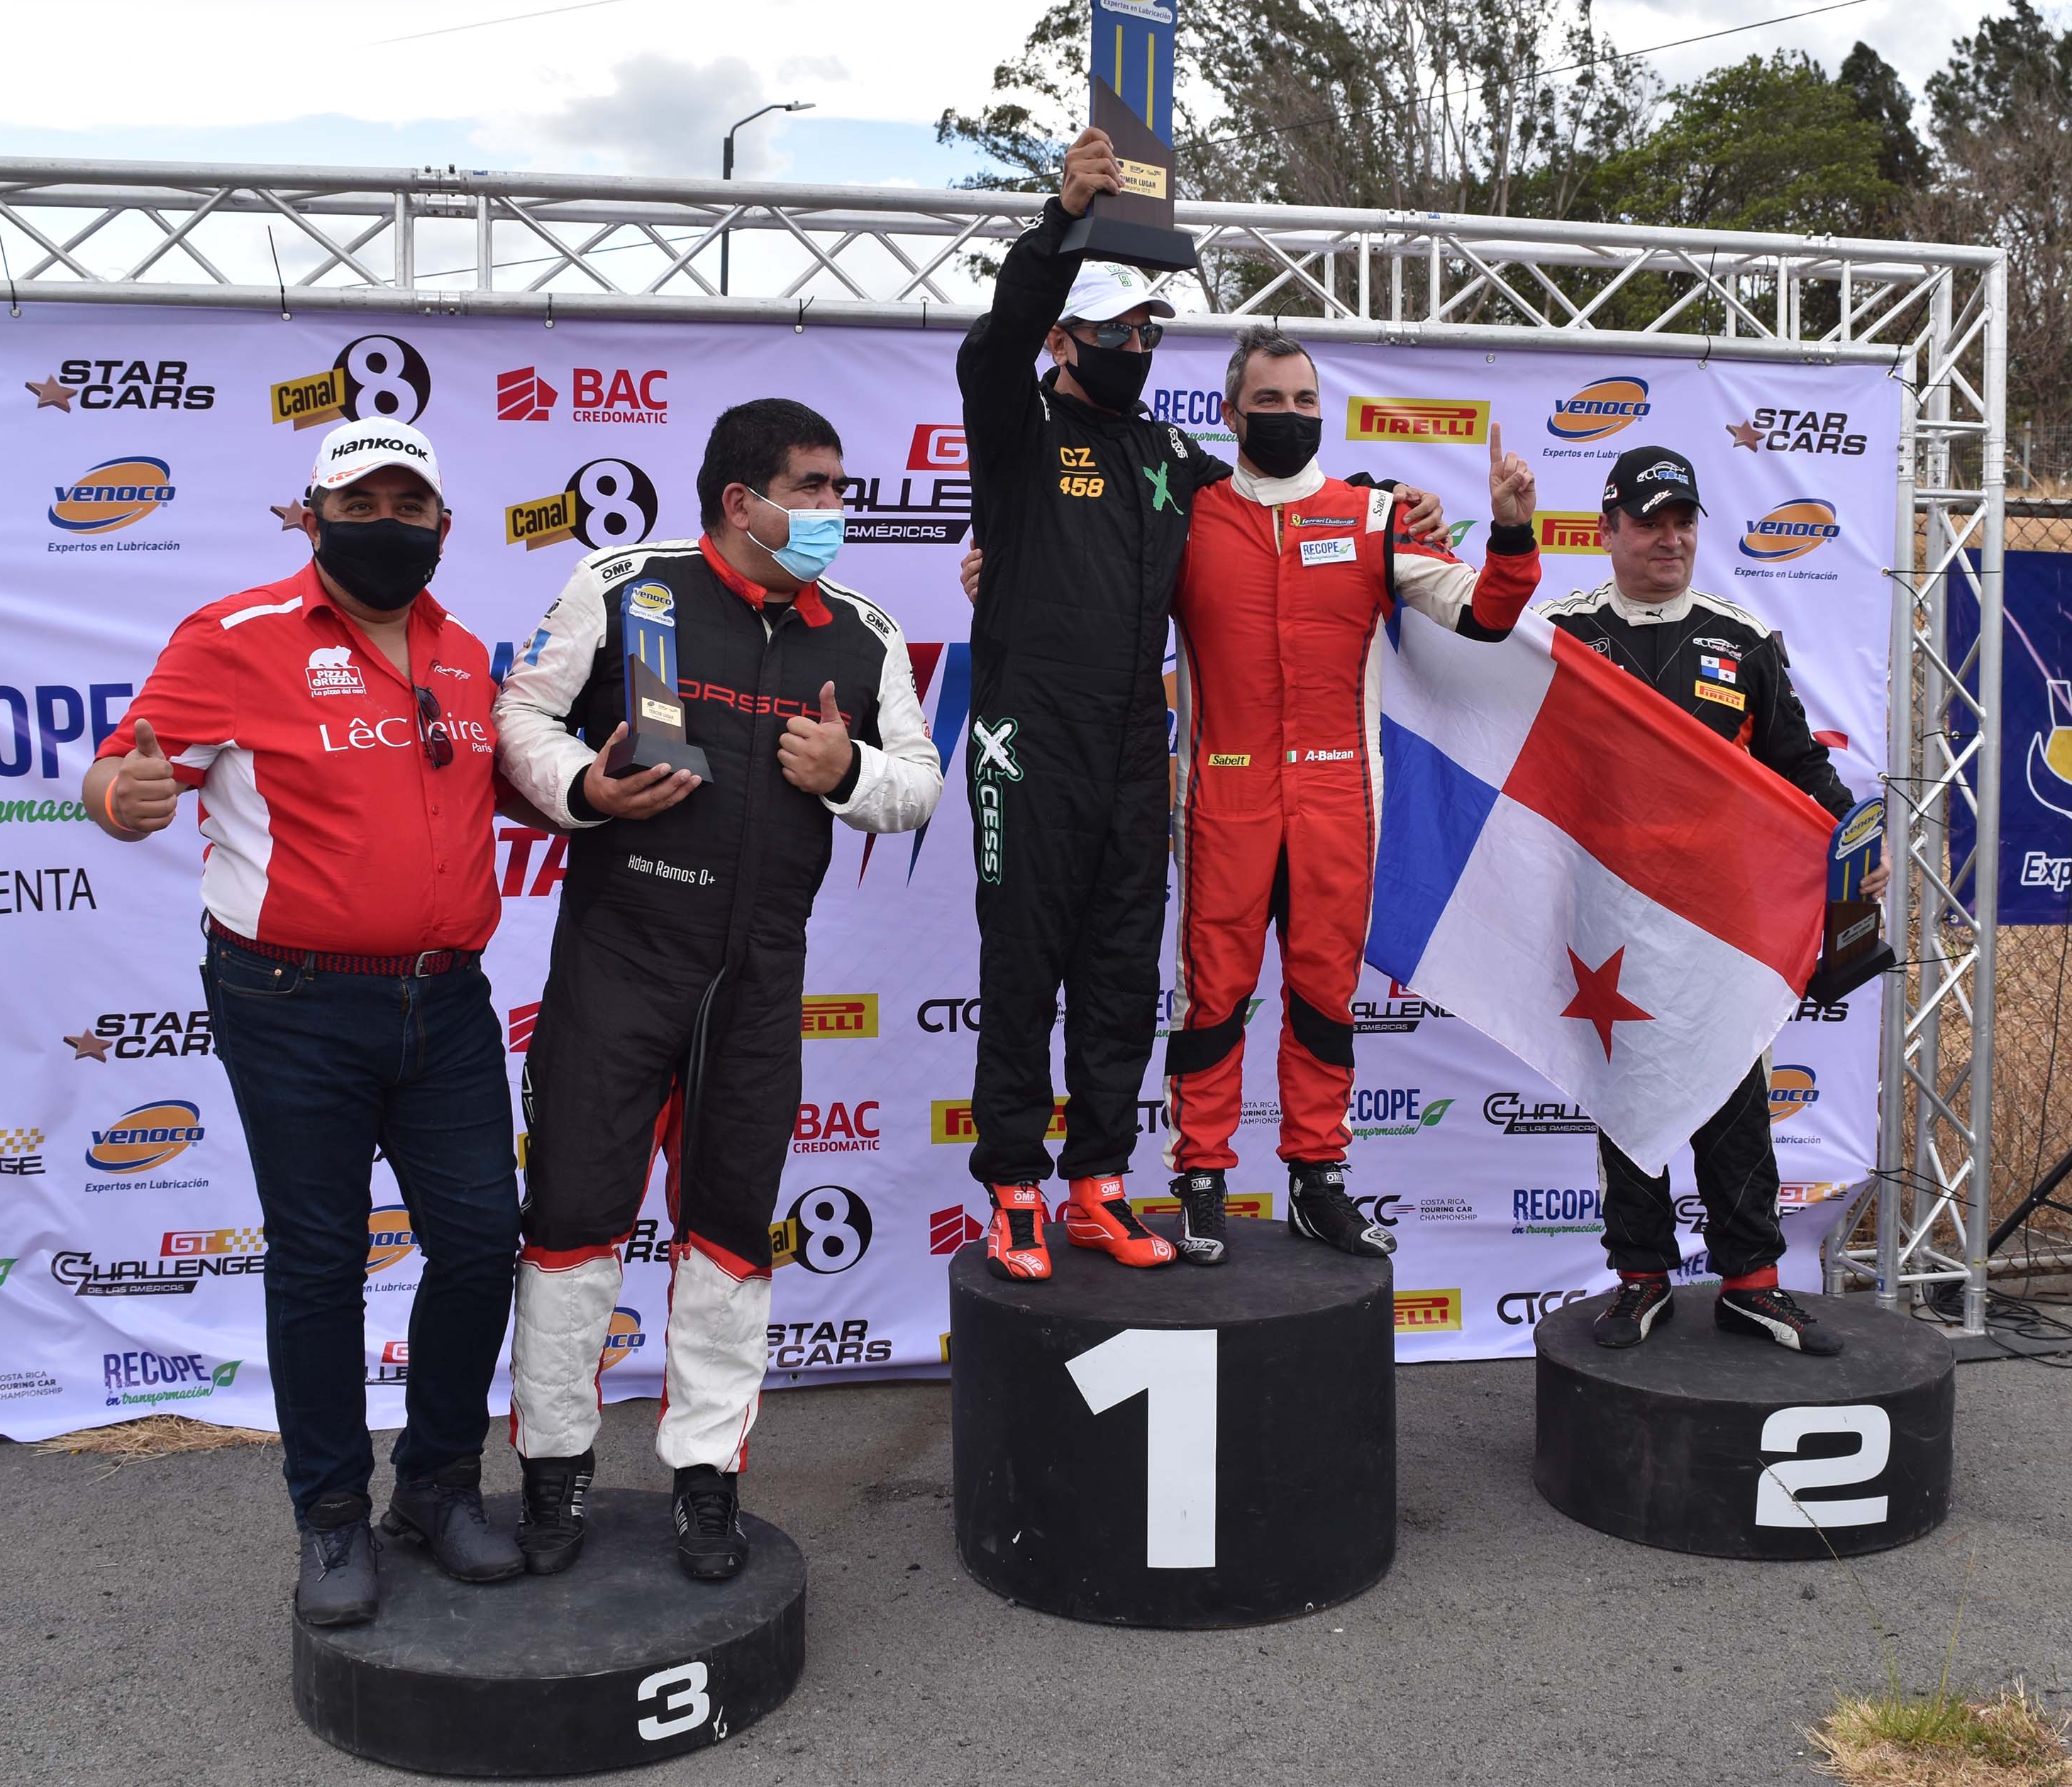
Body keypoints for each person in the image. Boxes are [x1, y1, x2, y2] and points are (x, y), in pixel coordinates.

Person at [82, 417, 523, 1628]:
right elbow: (122, 773)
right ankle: (330, 1519)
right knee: (322, 1262)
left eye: (409, 505)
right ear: (312, 512)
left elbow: (513, 790)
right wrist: (124, 796)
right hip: (291, 1003)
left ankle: (435, 1488)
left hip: (447, 997)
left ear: (444, 523)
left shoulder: (470, 654)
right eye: (361, 503)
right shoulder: (234, 637)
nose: (386, 524)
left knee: (484, 1243)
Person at [494, 398, 943, 1577]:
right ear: (740, 501)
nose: (836, 512)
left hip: (759, 973)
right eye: (816, 487)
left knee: (732, 1235)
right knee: (574, 1224)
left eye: (842, 489)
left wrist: (851, 772)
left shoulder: (864, 630)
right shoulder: (625, 582)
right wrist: (583, 791)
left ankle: (707, 1478)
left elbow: (922, 784)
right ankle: (553, 1473)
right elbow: (518, 719)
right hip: (620, 956)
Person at [1162, 325, 1541, 1263]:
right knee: (1215, 997)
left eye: (1302, 402)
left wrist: (1513, 527)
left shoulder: (1372, 518)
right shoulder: (1187, 515)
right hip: (1222, 797)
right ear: (1227, 412)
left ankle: (1317, 1181)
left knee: (1326, 997)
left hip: (1340, 800)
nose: (1288, 417)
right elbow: (1088, 600)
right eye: (1268, 402)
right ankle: (1202, 1176)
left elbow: (1487, 614)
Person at [951, 123, 1236, 1282]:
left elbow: (1277, 513)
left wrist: (1380, 514)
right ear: (1067, 336)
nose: (1135, 343)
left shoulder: (1174, 455)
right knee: (1024, 969)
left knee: (1124, 973)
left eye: (1148, 327)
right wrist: (1062, 226)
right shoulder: (1019, 429)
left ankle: (1099, 1186)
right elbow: (995, 344)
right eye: (1113, 327)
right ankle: (1013, 1183)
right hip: (1027, 747)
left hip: (1133, 754)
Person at [1541, 444, 1876, 1357]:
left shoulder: (1742, 637)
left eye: (1683, 520)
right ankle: (1639, 1279)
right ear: (1606, 529)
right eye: (1649, 521)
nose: (1669, 537)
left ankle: (1753, 1285)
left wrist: (1855, 849)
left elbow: (1801, 768)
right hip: (1604, 919)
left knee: (1732, 1103)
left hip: (1717, 923)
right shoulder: (1559, 633)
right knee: (1628, 1101)